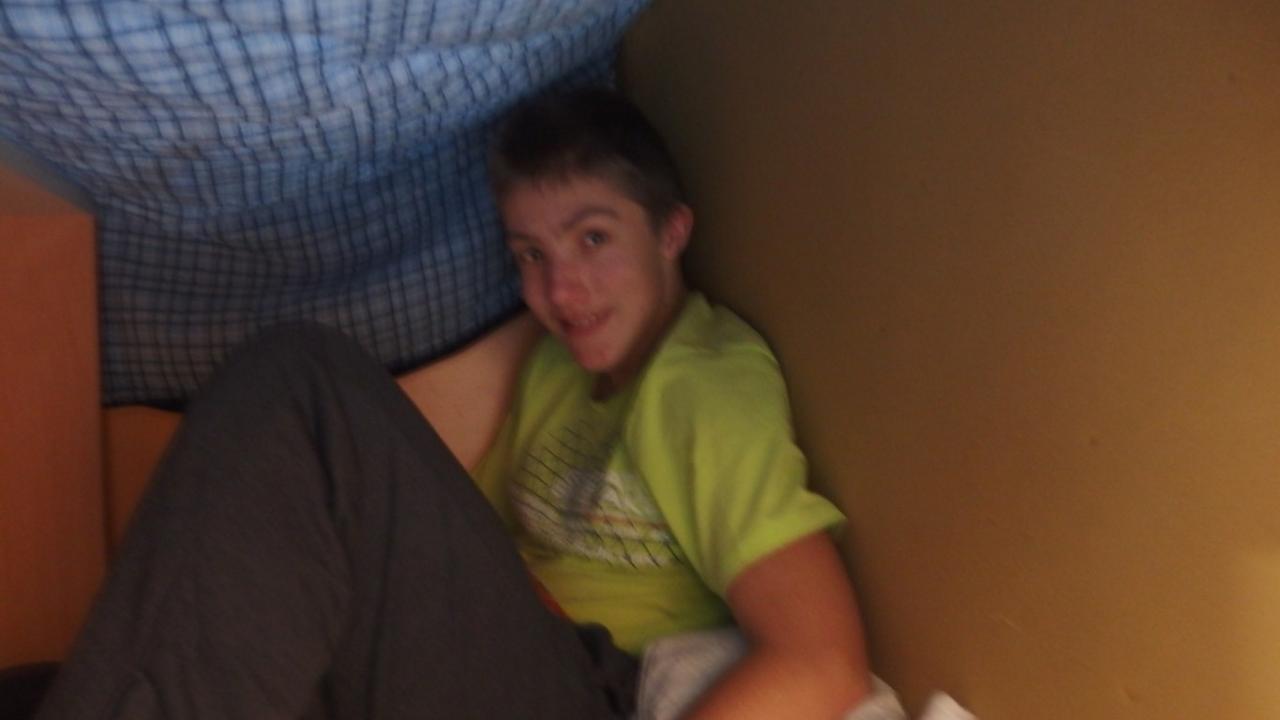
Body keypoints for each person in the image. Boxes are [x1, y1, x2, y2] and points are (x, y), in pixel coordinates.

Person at [36, 87, 871, 719]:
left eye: (593, 239)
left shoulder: (701, 384)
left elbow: (823, 661)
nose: (562, 290)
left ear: (671, 231)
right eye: (530, 254)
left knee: (300, 385)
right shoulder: (556, 374)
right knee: (50, 686)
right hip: (507, 658)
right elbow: (456, 540)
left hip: (591, 689)